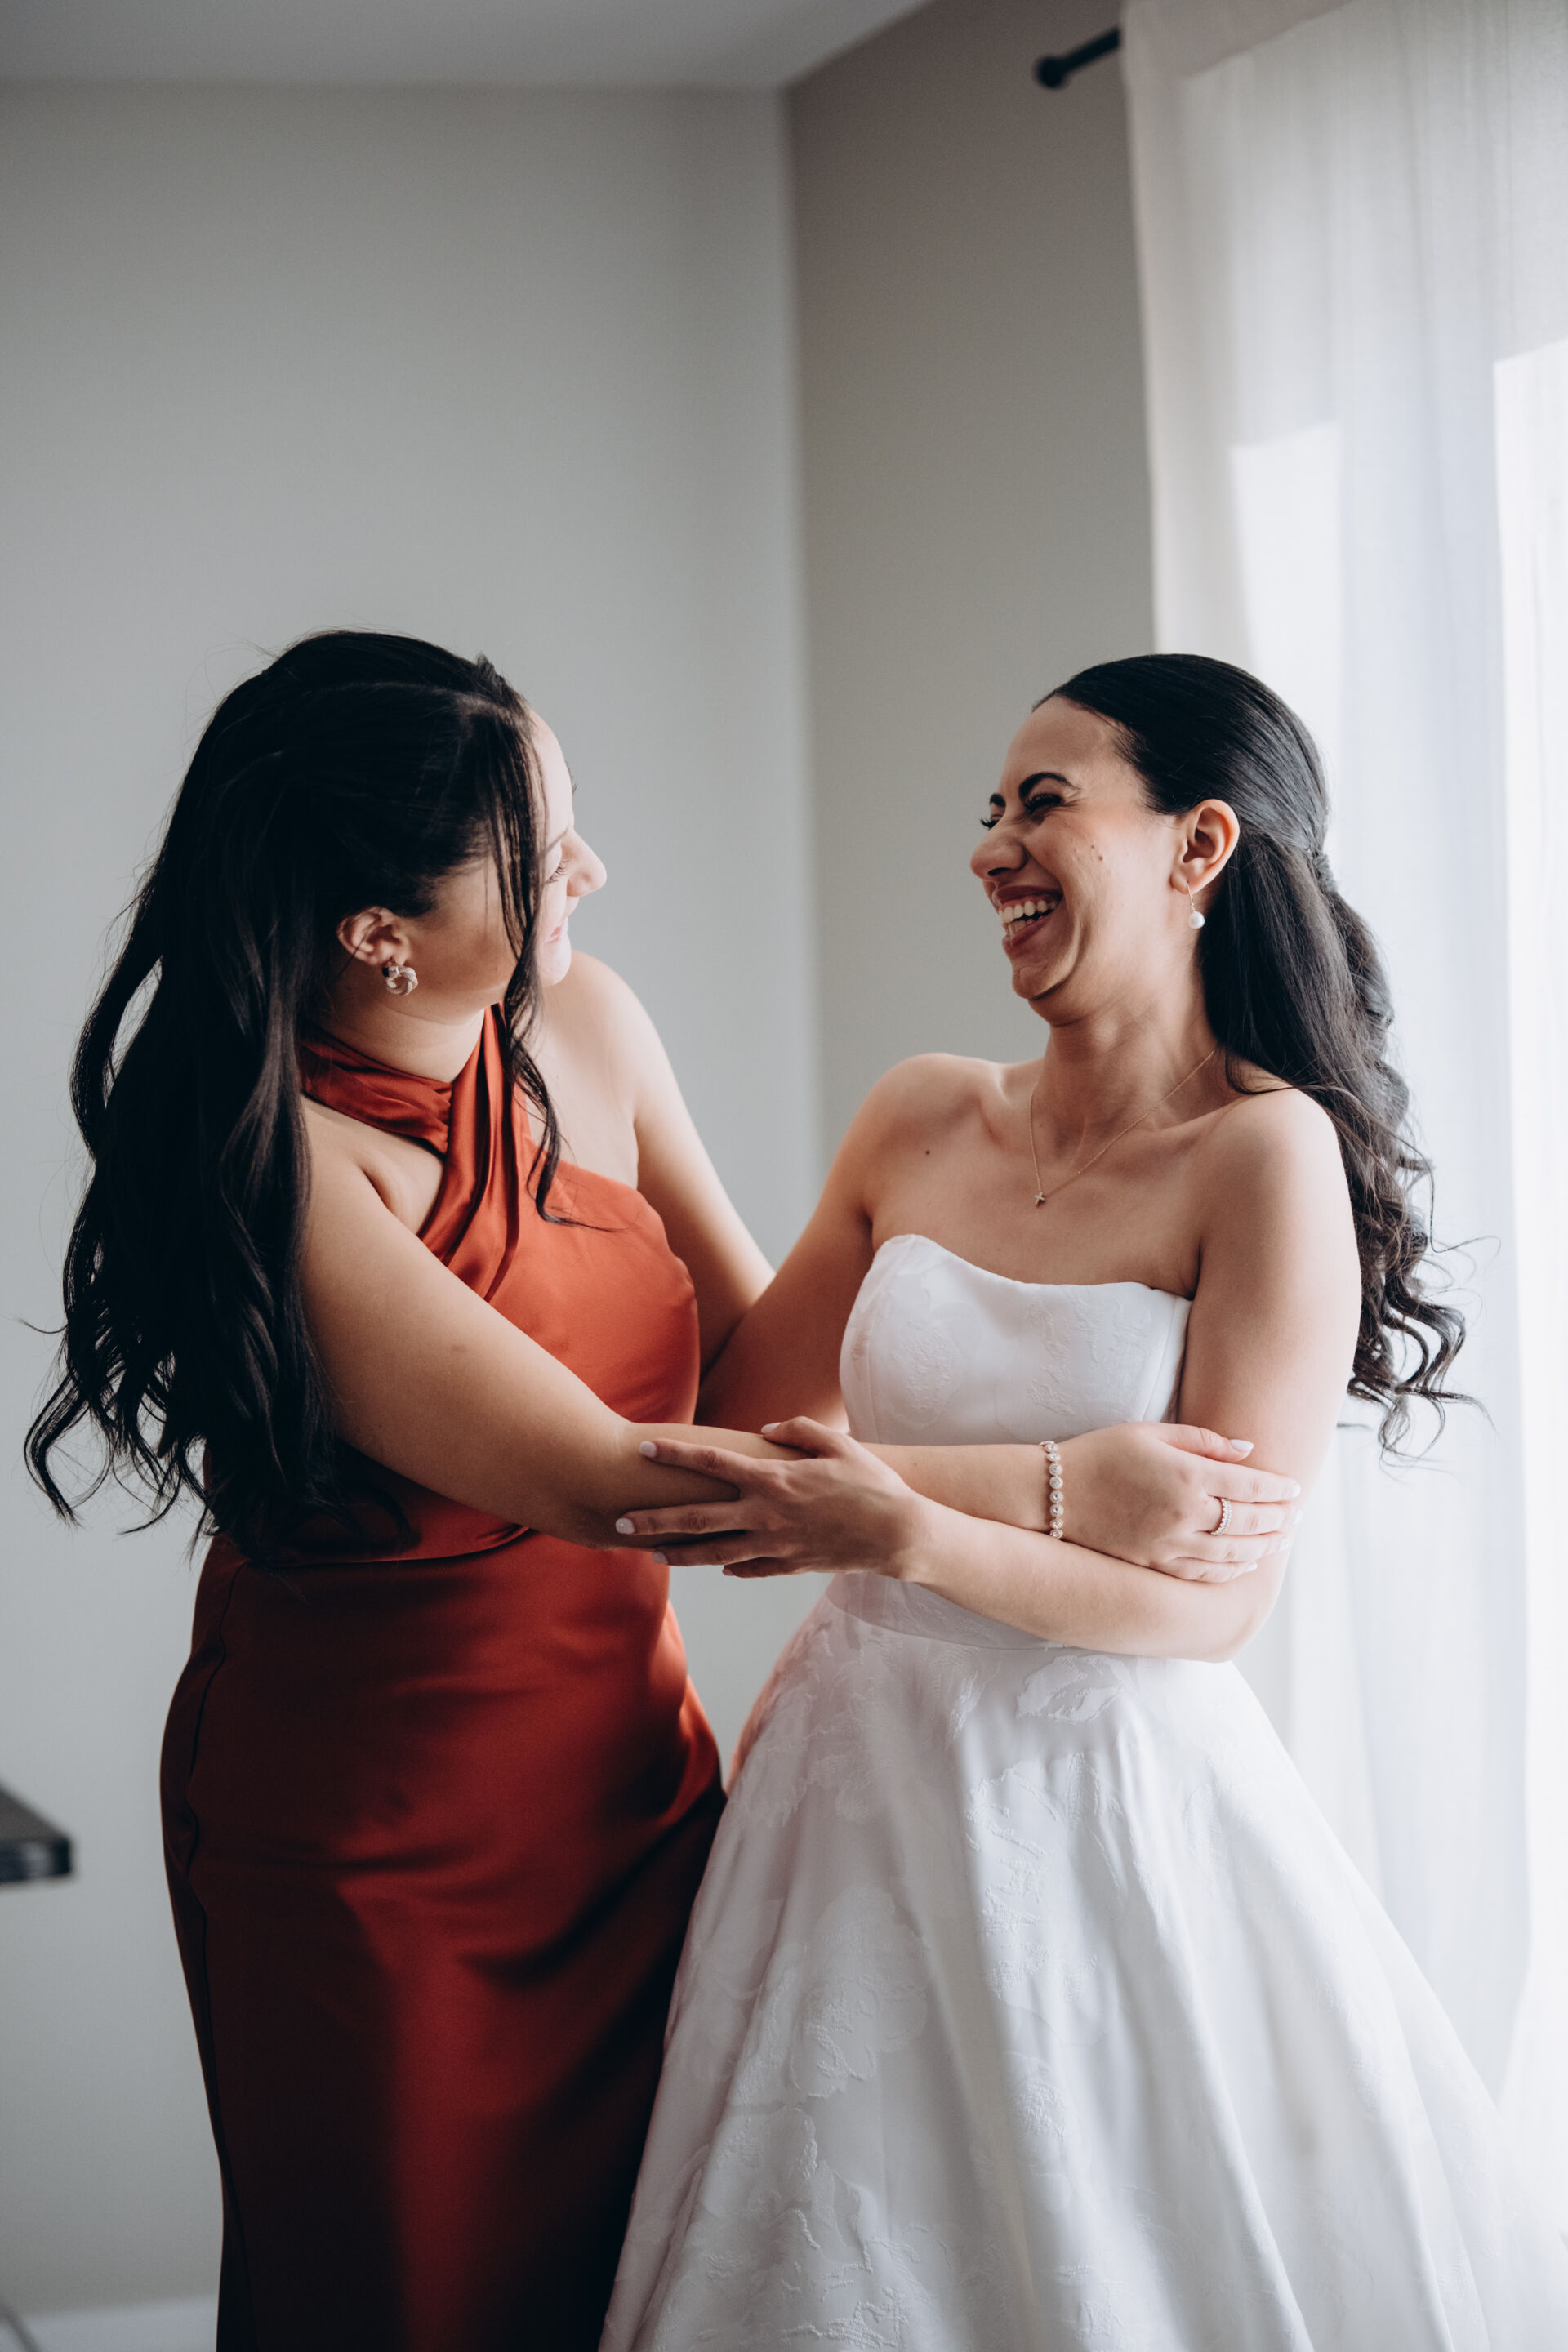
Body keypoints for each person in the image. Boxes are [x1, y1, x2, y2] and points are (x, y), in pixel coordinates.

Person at [27, 634, 1291, 2351]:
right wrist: (1065, 1484)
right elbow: (618, 1485)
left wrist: (972, 1236)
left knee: (652, 2279)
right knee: (408, 2291)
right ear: (381, 930)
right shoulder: (284, 1166)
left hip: (635, 1795)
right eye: (546, 849)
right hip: (381, 1824)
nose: (593, 872)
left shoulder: (593, 1027)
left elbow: (761, 1382)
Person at [599, 655, 1568, 2350]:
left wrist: (909, 1527)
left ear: (1200, 847)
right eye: (991, 810)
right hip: (849, 1785)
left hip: (1096, 1797)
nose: (993, 847)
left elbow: (1213, 1605)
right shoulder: (918, 1114)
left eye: (1044, 803)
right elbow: (733, 1435)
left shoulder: (1266, 1157)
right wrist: (1065, 1488)